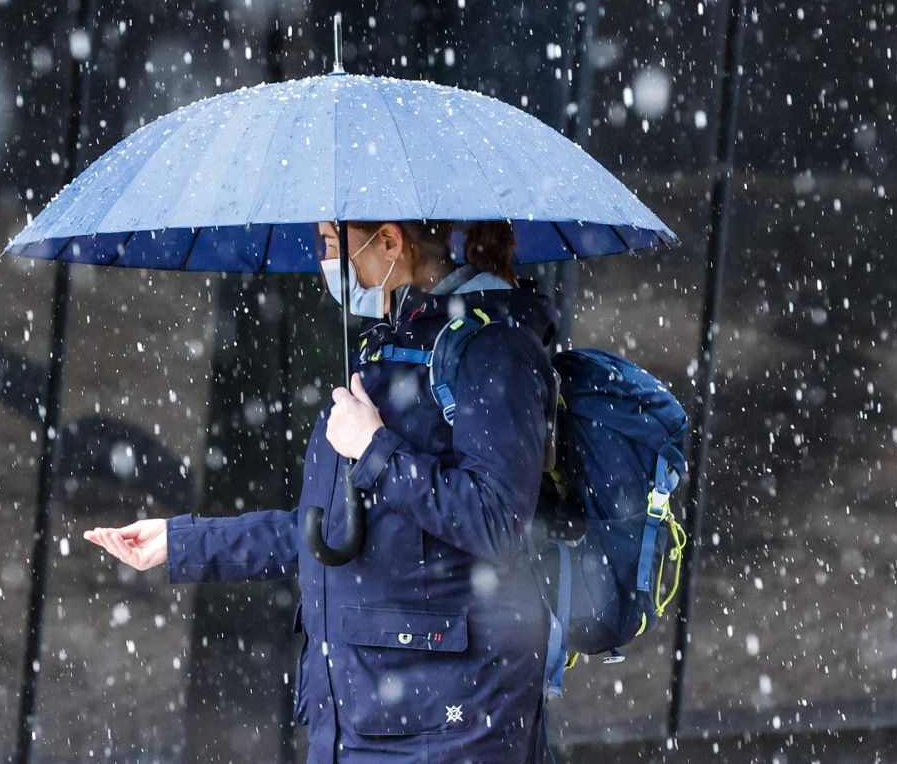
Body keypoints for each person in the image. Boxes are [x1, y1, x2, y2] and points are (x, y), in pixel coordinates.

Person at [83, 219, 560, 764]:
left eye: (334, 245)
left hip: (450, 724)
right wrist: (181, 542)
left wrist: (376, 447)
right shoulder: (385, 349)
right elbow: (329, 530)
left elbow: (496, 520)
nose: (325, 263)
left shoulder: (492, 352)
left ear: (388, 241)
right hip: (361, 716)